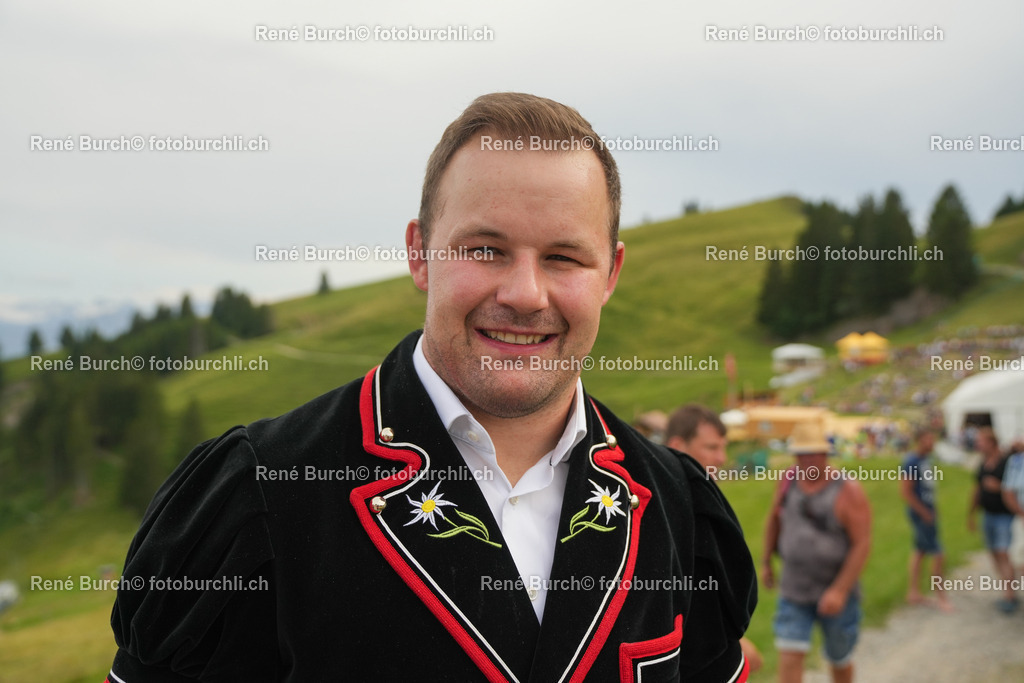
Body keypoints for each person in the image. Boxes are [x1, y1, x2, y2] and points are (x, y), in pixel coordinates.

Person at [105, 93, 757, 682]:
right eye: (485, 249)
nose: (525, 294)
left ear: (609, 273)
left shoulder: (675, 506)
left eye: (563, 257)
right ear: (420, 254)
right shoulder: (261, 495)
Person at [762, 421, 871, 683]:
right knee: (790, 653)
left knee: (839, 657)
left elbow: (862, 543)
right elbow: (775, 518)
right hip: (794, 587)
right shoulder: (788, 480)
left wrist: (840, 591)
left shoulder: (848, 490)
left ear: (825, 454)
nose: (807, 460)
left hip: (835, 589)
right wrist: (766, 561)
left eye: (813, 453)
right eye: (802, 454)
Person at [666, 403, 764, 674]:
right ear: (677, 446)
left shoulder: (698, 498)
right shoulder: (664, 505)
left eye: (723, 448)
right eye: (711, 448)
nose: (722, 458)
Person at [900, 427, 952, 610]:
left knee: (920, 551)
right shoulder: (911, 461)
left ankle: (913, 592)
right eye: (929, 439)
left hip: (928, 509)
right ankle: (942, 598)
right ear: (920, 440)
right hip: (921, 513)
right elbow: (906, 491)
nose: (932, 443)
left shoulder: (926, 460)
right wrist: (924, 512)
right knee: (938, 554)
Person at [967, 427, 1018, 613]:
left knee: (1003, 553)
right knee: (995, 554)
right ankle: (1007, 591)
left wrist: (999, 487)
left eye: (981, 441)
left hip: (1004, 516)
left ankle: (1010, 595)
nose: (978, 445)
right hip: (987, 515)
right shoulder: (983, 463)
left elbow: (1016, 487)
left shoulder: (1007, 462)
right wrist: (971, 513)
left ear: (991, 442)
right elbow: (977, 489)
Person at [1002, 440, 1024, 584]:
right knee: (1020, 558)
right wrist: (1021, 514)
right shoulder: (1017, 461)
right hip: (1021, 516)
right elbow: (1008, 490)